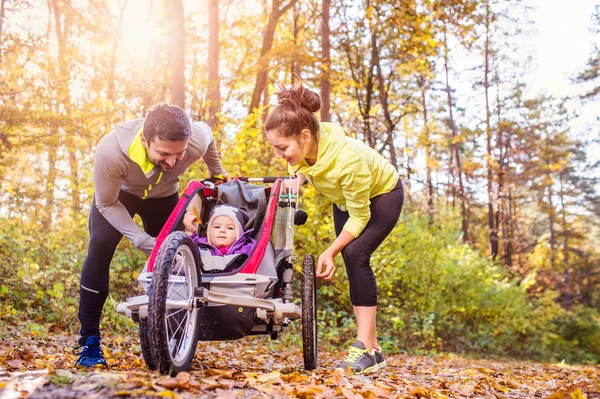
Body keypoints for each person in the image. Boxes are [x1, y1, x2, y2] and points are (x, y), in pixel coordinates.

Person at [74, 103, 231, 368]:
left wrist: (217, 172)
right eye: (163, 154)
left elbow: (210, 138)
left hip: (162, 197)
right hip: (118, 198)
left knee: (176, 262)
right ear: (145, 140)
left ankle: (173, 339)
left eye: (178, 154)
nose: (171, 162)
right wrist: (143, 241)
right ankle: (89, 343)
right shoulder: (111, 151)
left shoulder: (196, 138)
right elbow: (106, 203)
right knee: (99, 248)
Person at [264, 84, 404, 374]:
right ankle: (374, 351)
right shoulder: (304, 143)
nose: (280, 155)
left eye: (282, 148)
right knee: (352, 257)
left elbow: (360, 216)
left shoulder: (347, 160)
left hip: (382, 195)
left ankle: (363, 347)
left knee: (354, 254)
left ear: (304, 137)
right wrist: (293, 184)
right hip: (345, 202)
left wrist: (330, 250)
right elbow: (303, 168)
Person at [182, 204, 255, 258]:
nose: (222, 230)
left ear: (239, 234)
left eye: (230, 228)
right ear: (209, 232)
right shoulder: (200, 246)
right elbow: (189, 255)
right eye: (217, 227)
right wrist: (190, 232)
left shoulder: (249, 247)